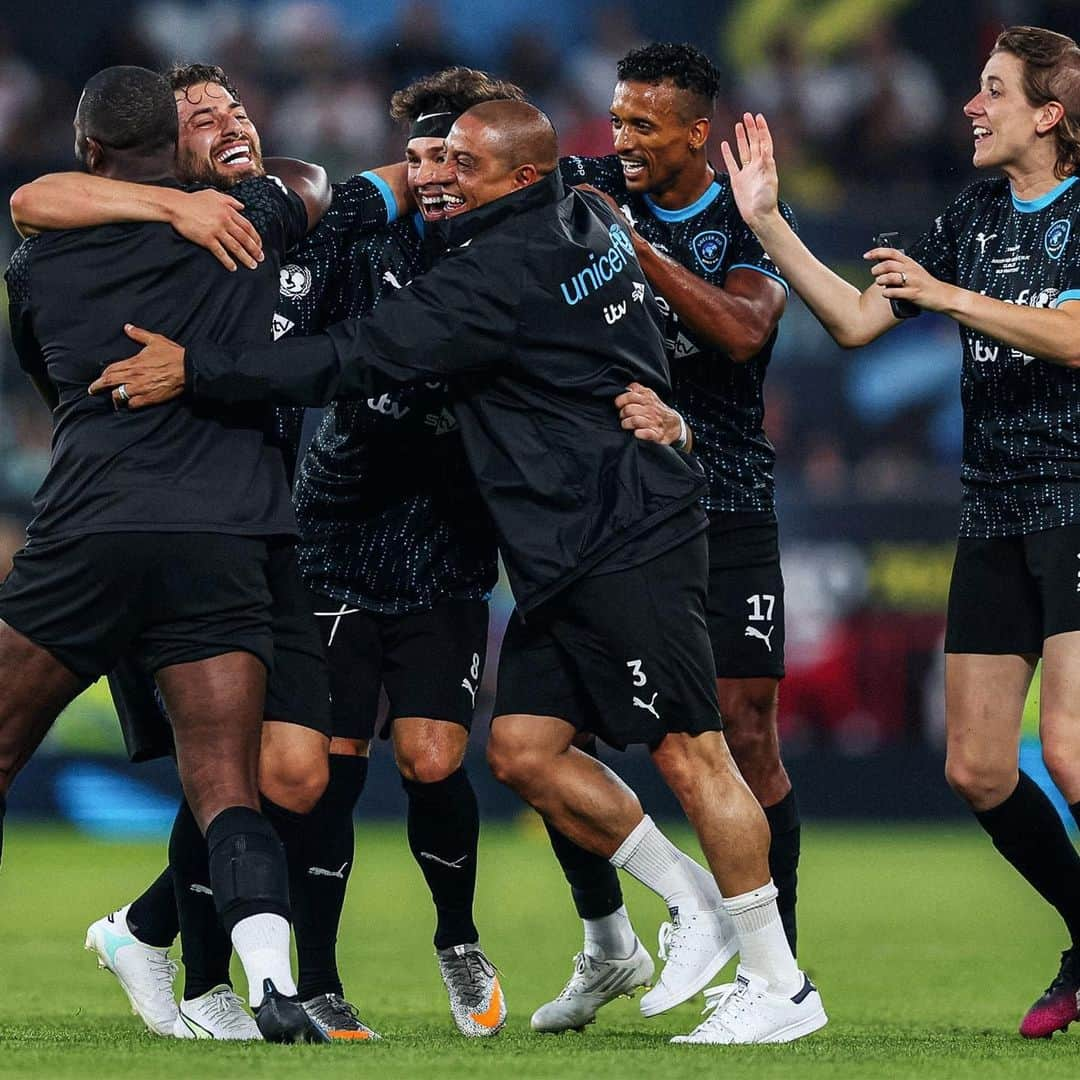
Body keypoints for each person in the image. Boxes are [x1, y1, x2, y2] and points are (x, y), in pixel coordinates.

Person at [90, 98, 828, 1046]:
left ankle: (779, 983)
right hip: (565, 549)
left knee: (694, 750)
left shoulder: (495, 275)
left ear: (519, 179)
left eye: (461, 165)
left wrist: (197, 370)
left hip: (622, 538)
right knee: (522, 748)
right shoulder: (586, 212)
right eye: (430, 162)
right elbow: (625, 331)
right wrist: (664, 415)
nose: (437, 179)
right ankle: (692, 901)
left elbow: (351, 358)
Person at [9, 63, 398, 1042]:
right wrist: (178, 213)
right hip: (215, 529)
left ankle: (156, 940)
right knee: (226, 780)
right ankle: (261, 984)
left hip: (117, 526)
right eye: (202, 118)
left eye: (235, 109)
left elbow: (30, 221)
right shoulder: (252, 222)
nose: (229, 124)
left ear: (94, 149)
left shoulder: (41, 264)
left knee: (277, 773)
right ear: (164, 150)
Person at [718, 25, 1080, 1038]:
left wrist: (955, 298)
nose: (972, 105)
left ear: (1049, 115)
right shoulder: (973, 212)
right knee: (976, 766)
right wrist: (770, 224)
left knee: (1073, 752)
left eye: (994, 90)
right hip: (995, 510)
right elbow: (857, 320)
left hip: (1076, 502)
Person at [531, 41, 802, 1032]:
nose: (624, 140)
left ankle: (776, 965)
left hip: (726, 496)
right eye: (618, 118)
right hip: (609, 504)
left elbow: (742, 331)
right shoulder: (584, 183)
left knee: (746, 731)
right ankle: (609, 939)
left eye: (647, 125)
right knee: (558, 735)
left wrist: (631, 250)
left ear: (700, 130)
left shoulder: (746, 212)